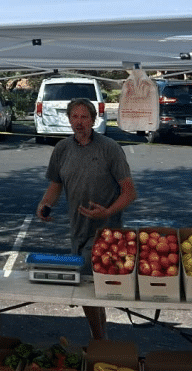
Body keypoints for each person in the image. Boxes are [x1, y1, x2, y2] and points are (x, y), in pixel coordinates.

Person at [36, 97, 138, 340]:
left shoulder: (109, 148)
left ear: (93, 120)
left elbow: (130, 192)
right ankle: (101, 338)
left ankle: (99, 340)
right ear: (69, 119)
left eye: (84, 117)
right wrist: (45, 204)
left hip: (106, 234)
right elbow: (56, 183)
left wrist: (107, 212)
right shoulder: (62, 149)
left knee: (89, 289)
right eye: (74, 117)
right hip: (78, 230)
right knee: (89, 291)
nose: (79, 122)